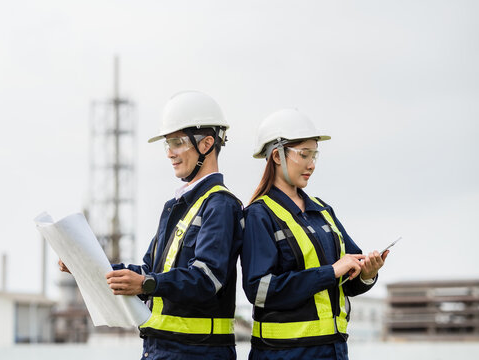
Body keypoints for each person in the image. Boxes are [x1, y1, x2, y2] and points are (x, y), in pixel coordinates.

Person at [61, 91, 243, 359]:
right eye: (167, 144)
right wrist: (86, 267)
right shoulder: (175, 207)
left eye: (178, 142)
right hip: (160, 350)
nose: (170, 153)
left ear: (207, 143)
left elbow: (207, 279)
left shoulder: (221, 206)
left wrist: (147, 284)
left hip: (199, 352)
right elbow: (149, 271)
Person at [240, 109, 388, 360]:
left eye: (314, 155)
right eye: (305, 155)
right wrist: (330, 272)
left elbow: (348, 275)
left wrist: (367, 274)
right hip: (284, 354)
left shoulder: (323, 211)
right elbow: (260, 291)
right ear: (277, 156)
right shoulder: (259, 214)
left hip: (333, 350)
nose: (312, 164)